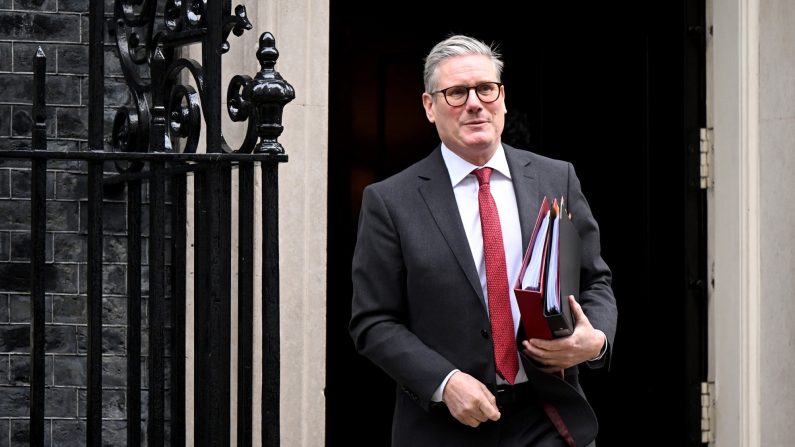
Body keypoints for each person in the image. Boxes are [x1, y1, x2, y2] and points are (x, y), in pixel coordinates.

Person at [349, 34, 617, 447]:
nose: (475, 103)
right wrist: (445, 382)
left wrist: (594, 339)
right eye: (456, 92)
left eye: (485, 89)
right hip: (444, 425)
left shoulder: (556, 178)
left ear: (502, 96)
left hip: (548, 417)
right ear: (429, 106)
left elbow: (595, 280)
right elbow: (373, 321)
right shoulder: (390, 201)